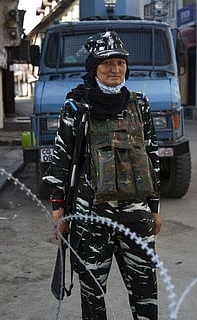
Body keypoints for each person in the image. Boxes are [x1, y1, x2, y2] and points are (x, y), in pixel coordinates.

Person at [43, 31, 162, 320]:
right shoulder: (77, 107)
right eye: (107, 62)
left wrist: (154, 209)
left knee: (146, 289)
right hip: (91, 216)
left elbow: (151, 156)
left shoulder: (140, 104)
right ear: (93, 67)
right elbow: (62, 160)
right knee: (93, 293)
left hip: (136, 214)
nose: (115, 69)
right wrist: (59, 211)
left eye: (120, 62)